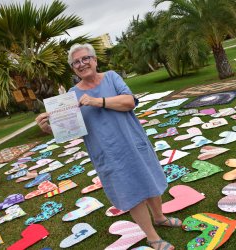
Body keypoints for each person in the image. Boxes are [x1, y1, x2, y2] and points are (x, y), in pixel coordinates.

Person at [36, 43, 181, 250]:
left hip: (133, 142)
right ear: (73, 68)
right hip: (108, 152)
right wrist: (51, 130)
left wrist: (97, 101)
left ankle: (159, 217)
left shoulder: (112, 77)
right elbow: (71, 131)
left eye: (86, 58)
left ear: (95, 60)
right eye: (76, 62)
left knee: (148, 179)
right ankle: (152, 236)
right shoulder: (71, 95)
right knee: (131, 191)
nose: (82, 64)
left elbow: (129, 102)